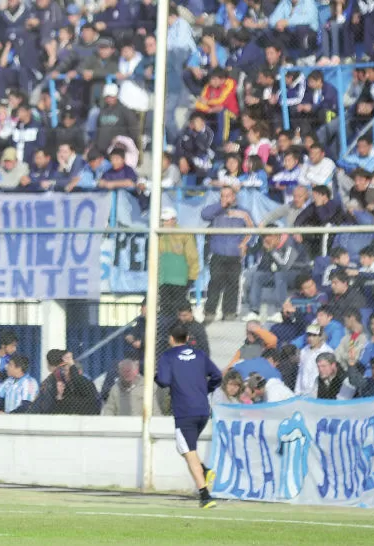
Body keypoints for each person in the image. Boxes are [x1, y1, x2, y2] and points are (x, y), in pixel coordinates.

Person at [155, 323, 222, 509]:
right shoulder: (200, 354)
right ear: (187, 338)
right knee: (185, 447)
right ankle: (205, 470)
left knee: (188, 451)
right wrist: (204, 390)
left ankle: (205, 495)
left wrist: (156, 376)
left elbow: (164, 381)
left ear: (170, 338)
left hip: (184, 410)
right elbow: (217, 376)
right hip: (202, 410)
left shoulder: (168, 356)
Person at [201, 187, 254, 323]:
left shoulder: (243, 212)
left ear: (234, 196)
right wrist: (221, 206)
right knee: (215, 283)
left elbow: (252, 230)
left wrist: (244, 244)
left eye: (228, 195)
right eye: (223, 196)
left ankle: (229, 312)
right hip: (217, 253)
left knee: (232, 284)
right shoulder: (216, 211)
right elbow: (204, 215)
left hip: (234, 255)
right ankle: (210, 312)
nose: (225, 198)